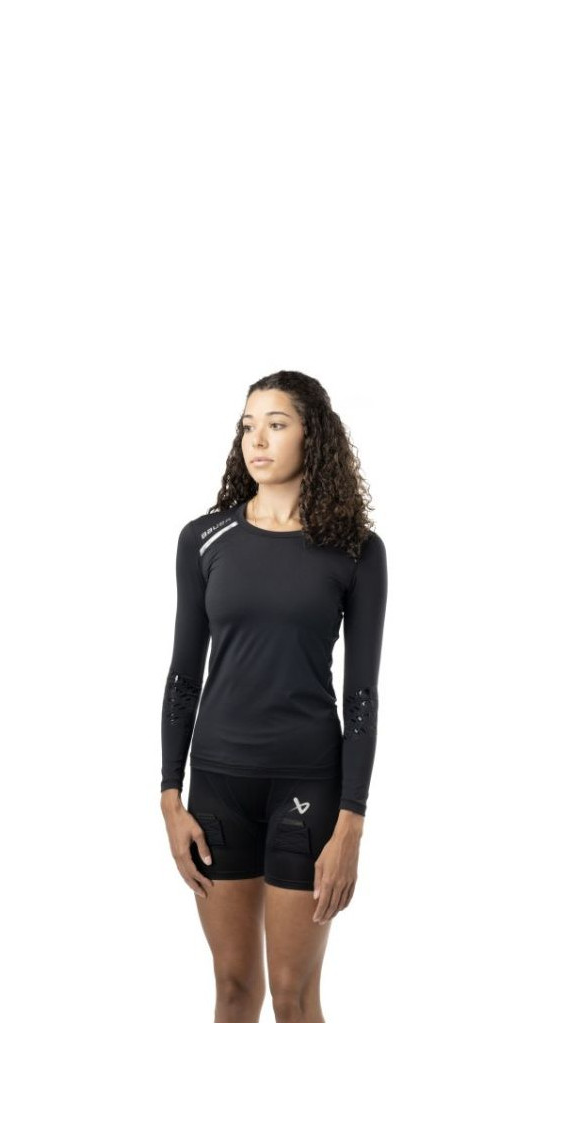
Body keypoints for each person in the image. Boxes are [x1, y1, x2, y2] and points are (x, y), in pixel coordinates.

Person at [159, 370, 388, 1022]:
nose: (257, 440)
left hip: (307, 785)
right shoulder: (203, 539)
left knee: (293, 996)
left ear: (312, 435)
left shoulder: (355, 551)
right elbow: (183, 676)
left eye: (277, 424)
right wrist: (170, 796)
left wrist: (351, 821)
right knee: (234, 990)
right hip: (218, 785)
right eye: (248, 426)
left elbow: (362, 695)